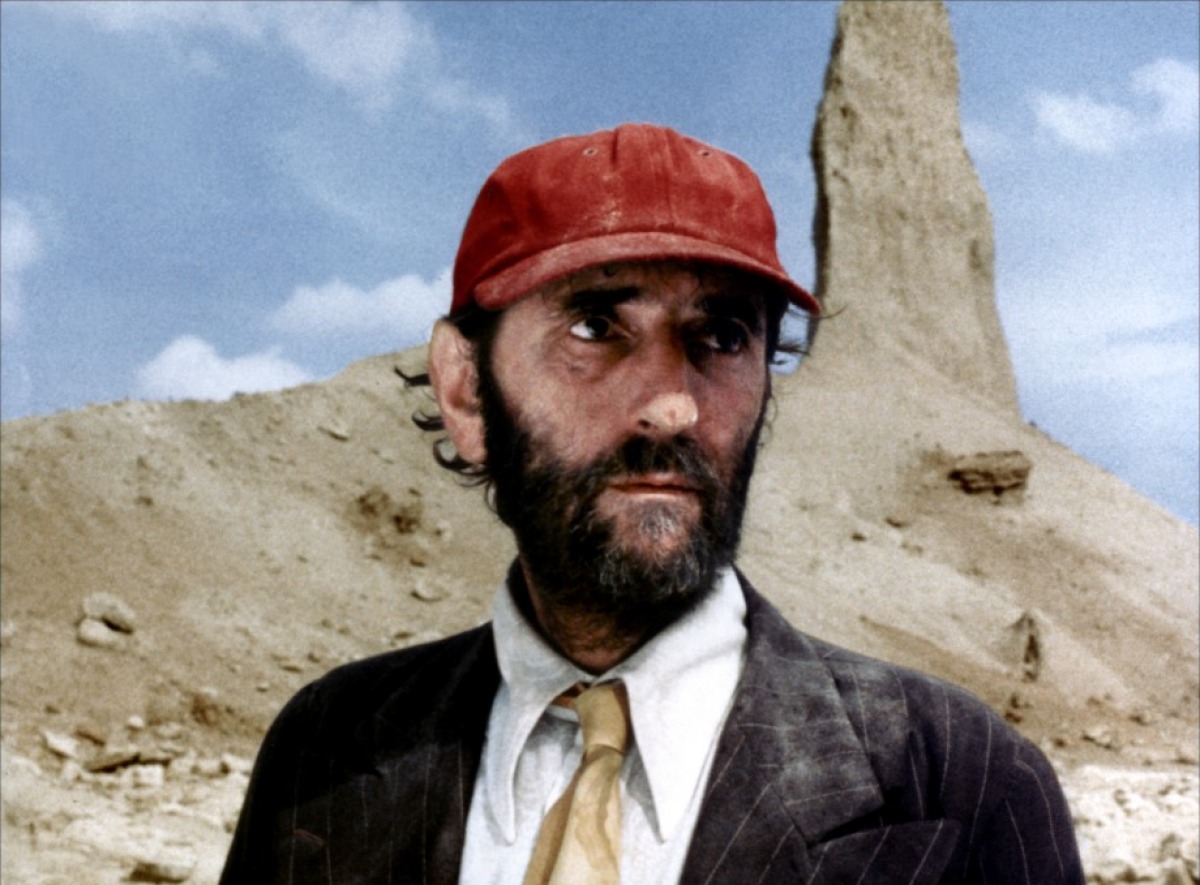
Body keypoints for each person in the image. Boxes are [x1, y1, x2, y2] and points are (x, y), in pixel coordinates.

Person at [221, 123, 1084, 884]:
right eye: (595, 328)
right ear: (466, 391)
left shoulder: (959, 783)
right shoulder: (325, 751)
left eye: (724, 336)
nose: (673, 408)